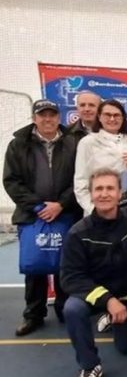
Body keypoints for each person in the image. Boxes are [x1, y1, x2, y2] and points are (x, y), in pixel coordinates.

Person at [60, 168, 127, 377]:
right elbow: (71, 278)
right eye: (99, 189)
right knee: (72, 308)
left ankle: (118, 319)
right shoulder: (78, 233)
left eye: (110, 188)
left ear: (119, 193)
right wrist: (108, 300)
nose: (104, 194)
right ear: (92, 194)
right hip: (98, 296)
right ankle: (89, 365)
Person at [3, 99, 79, 336]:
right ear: (34, 118)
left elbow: (80, 178)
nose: (48, 119)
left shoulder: (73, 142)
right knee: (35, 266)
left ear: (58, 117)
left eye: (52, 115)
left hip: (64, 212)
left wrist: (61, 204)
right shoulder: (18, 145)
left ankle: (64, 308)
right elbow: (11, 181)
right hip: (32, 215)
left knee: (64, 263)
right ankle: (33, 314)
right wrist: (37, 207)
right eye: (42, 115)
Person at [74, 99, 127, 215]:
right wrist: (92, 209)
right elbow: (80, 181)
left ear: (123, 118)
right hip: (100, 210)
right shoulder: (88, 143)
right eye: (107, 115)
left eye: (116, 115)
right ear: (99, 117)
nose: (112, 119)